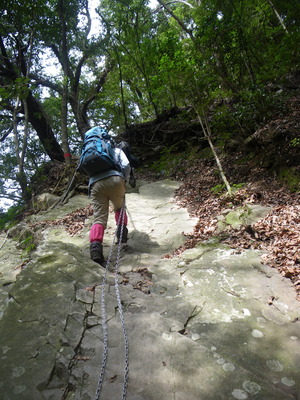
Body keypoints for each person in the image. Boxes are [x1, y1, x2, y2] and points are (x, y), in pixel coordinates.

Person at [89, 138, 131, 265]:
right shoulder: (116, 150)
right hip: (115, 179)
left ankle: (96, 249)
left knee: (99, 218)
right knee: (119, 207)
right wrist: (124, 179)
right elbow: (126, 165)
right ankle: (122, 234)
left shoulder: (92, 152)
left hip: (96, 184)